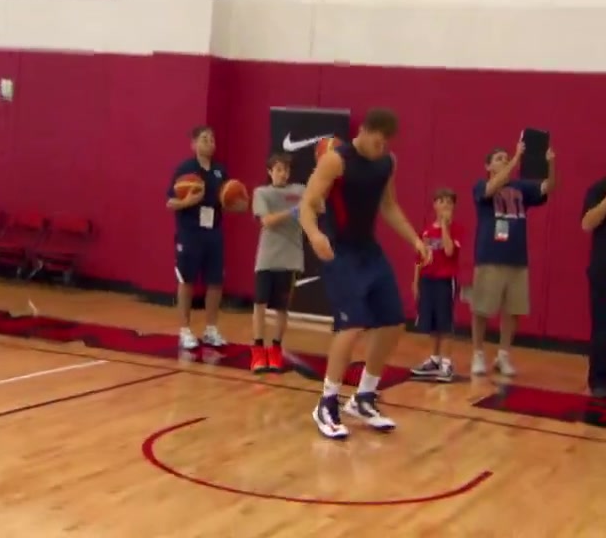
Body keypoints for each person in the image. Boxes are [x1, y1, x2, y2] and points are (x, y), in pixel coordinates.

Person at [299, 108, 431, 440]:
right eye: (378, 141)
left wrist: (415, 239)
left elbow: (389, 206)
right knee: (352, 324)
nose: (382, 148)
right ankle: (326, 403)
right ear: (365, 131)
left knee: (393, 322)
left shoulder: (387, 163)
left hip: (368, 251)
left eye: (387, 143)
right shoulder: (335, 161)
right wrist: (314, 235)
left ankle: (363, 397)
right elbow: (307, 203)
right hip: (339, 251)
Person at [470, 142, 555, 377]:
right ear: (488, 166)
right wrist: (516, 158)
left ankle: (503, 355)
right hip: (490, 256)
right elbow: (490, 189)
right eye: (499, 158)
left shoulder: (521, 188)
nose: (505, 160)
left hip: (517, 258)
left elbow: (549, 186)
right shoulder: (481, 186)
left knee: (513, 309)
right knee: (482, 308)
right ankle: (478, 353)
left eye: (506, 157)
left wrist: (551, 164)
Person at [165, 126, 247, 351]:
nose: (209, 142)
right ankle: (184, 330)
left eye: (212, 139)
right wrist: (187, 202)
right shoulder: (185, 169)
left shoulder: (220, 171)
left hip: (214, 232)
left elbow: (227, 203)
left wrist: (238, 205)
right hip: (190, 232)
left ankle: (211, 329)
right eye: (204, 139)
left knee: (215, 281)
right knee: (187, 280)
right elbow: (170, 202)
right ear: (193, 144)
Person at [250, 153, 305, 373]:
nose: (283, 174)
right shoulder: (262, 193)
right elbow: (267, 221)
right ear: (270, 172)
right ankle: (257, 350)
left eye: (286, 170)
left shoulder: (299, 191)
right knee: (260, 304)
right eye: (279, 169)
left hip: (290, 258)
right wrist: (293, 211)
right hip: (267, 257)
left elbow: (317, 206)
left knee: (282, 308)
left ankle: (275, 349)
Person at [411, 188, 463, 382]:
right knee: (432, 322)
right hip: (427, 280)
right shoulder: (426, 231)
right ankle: (434, 360)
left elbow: (449, 251)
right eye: (441, 201)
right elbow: (419, 258)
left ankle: (447, 364)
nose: (445, 205)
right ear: (434, 205)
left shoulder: (456, 229)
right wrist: (415, 282)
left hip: (444, 280)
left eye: (449, 202)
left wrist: (445, 227)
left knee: (445, 322)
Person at [581, 176, 606, 398]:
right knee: (602, 329)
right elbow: (587, 223)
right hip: (602, 271)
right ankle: (599, 382)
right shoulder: (598, 189)